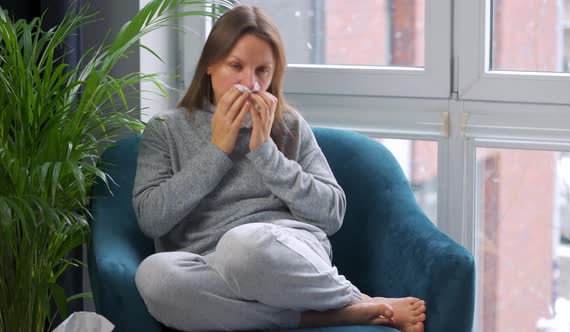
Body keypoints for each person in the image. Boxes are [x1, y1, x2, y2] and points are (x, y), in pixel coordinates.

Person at [132, 5, 426, 332]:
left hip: (278, 254)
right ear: (210, 66)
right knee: (154, 276)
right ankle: (335, 312)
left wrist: (265, 152)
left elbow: (331, 214)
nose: (251, 83)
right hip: (207, 268)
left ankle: (350, 298)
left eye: (262, 71)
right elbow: (151, 218)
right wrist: (217, 151)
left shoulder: (288, 125)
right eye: (236, 66)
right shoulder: (166, 130)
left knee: (241, 247)